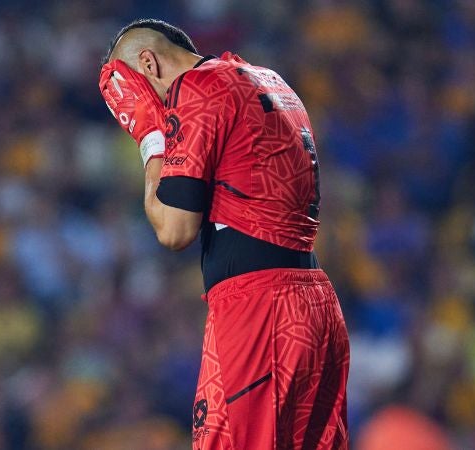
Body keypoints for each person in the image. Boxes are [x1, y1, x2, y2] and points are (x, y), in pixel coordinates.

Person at [99, 19, 349, 450]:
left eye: (133, 90)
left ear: (149, 63)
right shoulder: (269, 81)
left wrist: (149, 135)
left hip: (259, 311)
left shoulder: (197, 89)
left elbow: (173, 228)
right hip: (314, 305)